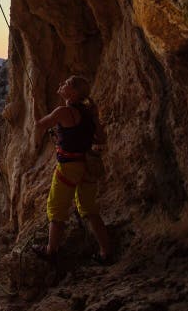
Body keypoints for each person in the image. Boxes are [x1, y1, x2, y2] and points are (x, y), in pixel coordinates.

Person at [32, 75, 112, 265]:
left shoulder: (63, 112)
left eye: (66, 83)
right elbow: (100, 138)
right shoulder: (88, 112)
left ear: (73, 92)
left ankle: (51, 251)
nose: (61, 84)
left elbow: (38, 125)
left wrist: (35, 100)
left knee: (56, 207)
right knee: (89, 209)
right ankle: (106, 251)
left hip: (69, 167)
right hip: (87, 165)